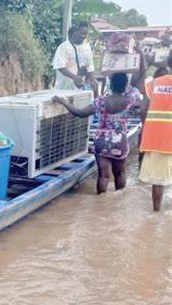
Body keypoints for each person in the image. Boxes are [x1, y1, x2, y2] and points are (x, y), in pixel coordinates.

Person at [53, 72, 146, 195]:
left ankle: (100, 199)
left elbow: (80, 113)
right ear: (125, 86)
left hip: (101, 141)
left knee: (103, 176)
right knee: (120, 173)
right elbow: (140, 77)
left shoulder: (101, 101)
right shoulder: (130, 99)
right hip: (119, 142)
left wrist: (63, 102)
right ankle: (119, 199)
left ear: (111, 85)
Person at [138, 52, 172, 211]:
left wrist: (147, 64)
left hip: (159, 140)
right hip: (163, 140)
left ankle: (156, 214)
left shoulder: (156, 83)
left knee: (158, 181)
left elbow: (142, 104)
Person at [52, 22, 98, 96]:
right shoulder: (63, 47)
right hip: (64, 89)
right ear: (74, 33)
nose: (84, 36)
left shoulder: (87, 48)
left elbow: (90, 67)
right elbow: (60, 66)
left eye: (85, 34)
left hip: (82, 90)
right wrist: (74, 77)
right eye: (81, 33)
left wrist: (93, 80)